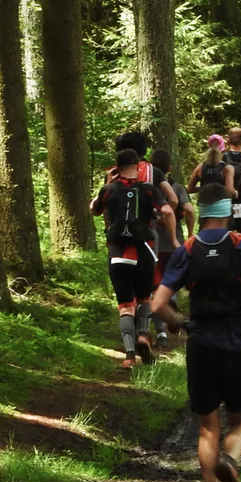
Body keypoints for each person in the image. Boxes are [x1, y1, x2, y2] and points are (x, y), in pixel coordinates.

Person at [152, 183, 241, 482]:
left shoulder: (186, 250)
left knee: (207, 427)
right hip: (239, 342)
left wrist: (180, 323)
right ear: (227, 211)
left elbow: (158, 303)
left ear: (202, 212)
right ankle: (229, 462)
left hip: (202, 344)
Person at [91, 149, 171, 369]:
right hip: (144, 252)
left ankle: (128, 357)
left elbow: (94, 210)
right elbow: (168, 211)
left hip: (118, 255)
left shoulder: (108, 189)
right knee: (144, 298)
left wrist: (108, 183)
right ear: (137, 166)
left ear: (117, 167)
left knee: (126, 307)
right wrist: (172, 237)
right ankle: (143, 335)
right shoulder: (148, 190)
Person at [150, 148, 195, 348]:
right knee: (173, 281)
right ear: (169, 168)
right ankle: (173, 298)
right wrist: (191, 233)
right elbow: (189, 210)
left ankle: (161, 333)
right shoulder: (176, 188)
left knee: (155, 288)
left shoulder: (145, 187)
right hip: (174, 242)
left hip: (152, 245)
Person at [112, 131, 179, 245]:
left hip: (118, 233)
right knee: (149, 261)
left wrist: (108, 227)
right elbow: (173, 199)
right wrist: (159, 218)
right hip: (147, 232)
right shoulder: (154, 171)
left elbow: (104, 205)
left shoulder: (113, 173)